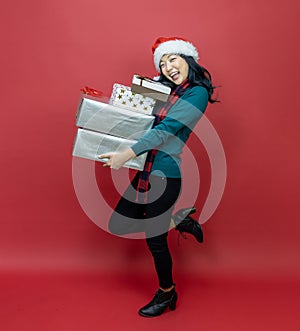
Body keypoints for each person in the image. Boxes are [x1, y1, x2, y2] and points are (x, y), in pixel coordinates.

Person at [99, 37, 217, 317]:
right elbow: (138, 112)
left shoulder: (196, 92)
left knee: (155, 240)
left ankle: (166, 293)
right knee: (118, 224)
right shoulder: (168, 92)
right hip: (146, 172)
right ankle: (179, 220)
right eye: (162, 63)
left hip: (165, 175)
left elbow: (165, 131)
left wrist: (125, 154)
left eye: (172, 59)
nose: (167, 66)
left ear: (188, 59)